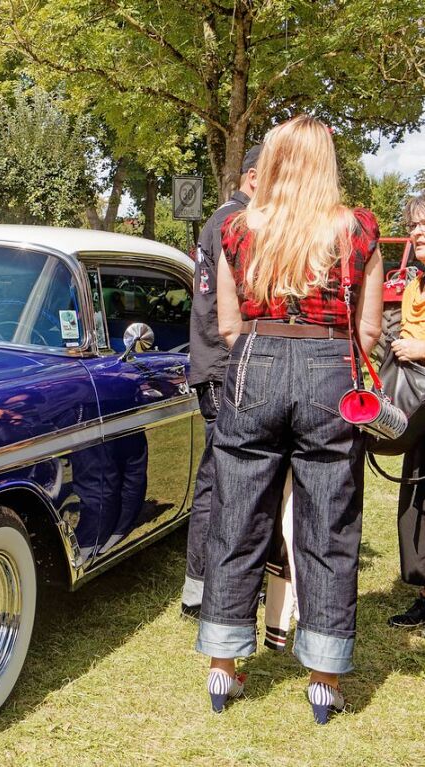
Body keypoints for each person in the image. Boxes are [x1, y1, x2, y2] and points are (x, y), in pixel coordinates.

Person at [196, 115, 383, 724]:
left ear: (271, 162)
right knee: (330, 519)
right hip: (331, 362)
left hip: (255, 359)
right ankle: (324, 678)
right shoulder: (356, 229)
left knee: (237, 511)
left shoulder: (237, 228)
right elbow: (371, 329)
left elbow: (227, 325)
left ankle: (223, 667)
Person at [181, 144, 261, 619]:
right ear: (253, 178)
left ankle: (201, 587)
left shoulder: (218, 220)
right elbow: (231, 307)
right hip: (223, 366)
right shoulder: (237, 222)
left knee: (217, 477)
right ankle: (207, 589)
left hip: (213, 362)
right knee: (223, 479)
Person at [387, 193, 425, 628]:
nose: (416, 233)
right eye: (413, 225)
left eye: (423, 225)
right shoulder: (415, 282)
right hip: (419, 408)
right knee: (417, 497)